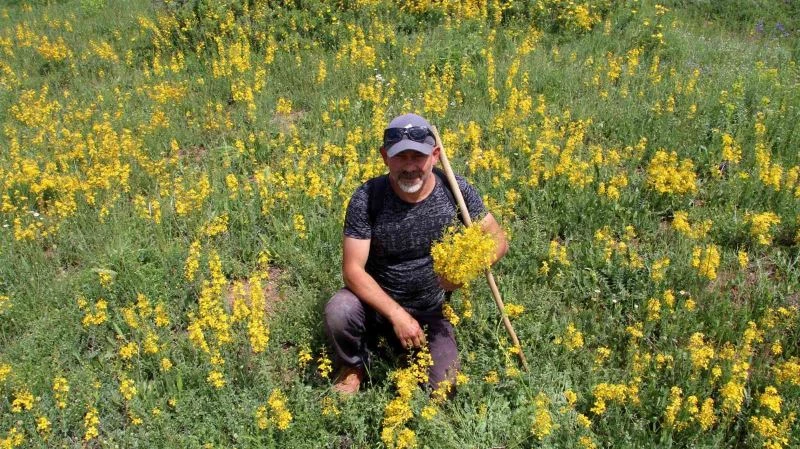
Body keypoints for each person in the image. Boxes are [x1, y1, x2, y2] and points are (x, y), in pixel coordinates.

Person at [324, 113, 508, 395]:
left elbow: (498, 240)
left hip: (430, 310)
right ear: (385, 157)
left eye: (418, 156)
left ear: (435, 155)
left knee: (444, 389)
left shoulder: (454, 190)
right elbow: (352, 270)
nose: (410, 166)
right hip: (375, 306)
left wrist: (463, 273)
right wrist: (397, 315)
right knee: (340, 310)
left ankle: (400, 350)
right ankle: (354, 365)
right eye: (401, 157)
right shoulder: (368, 197)